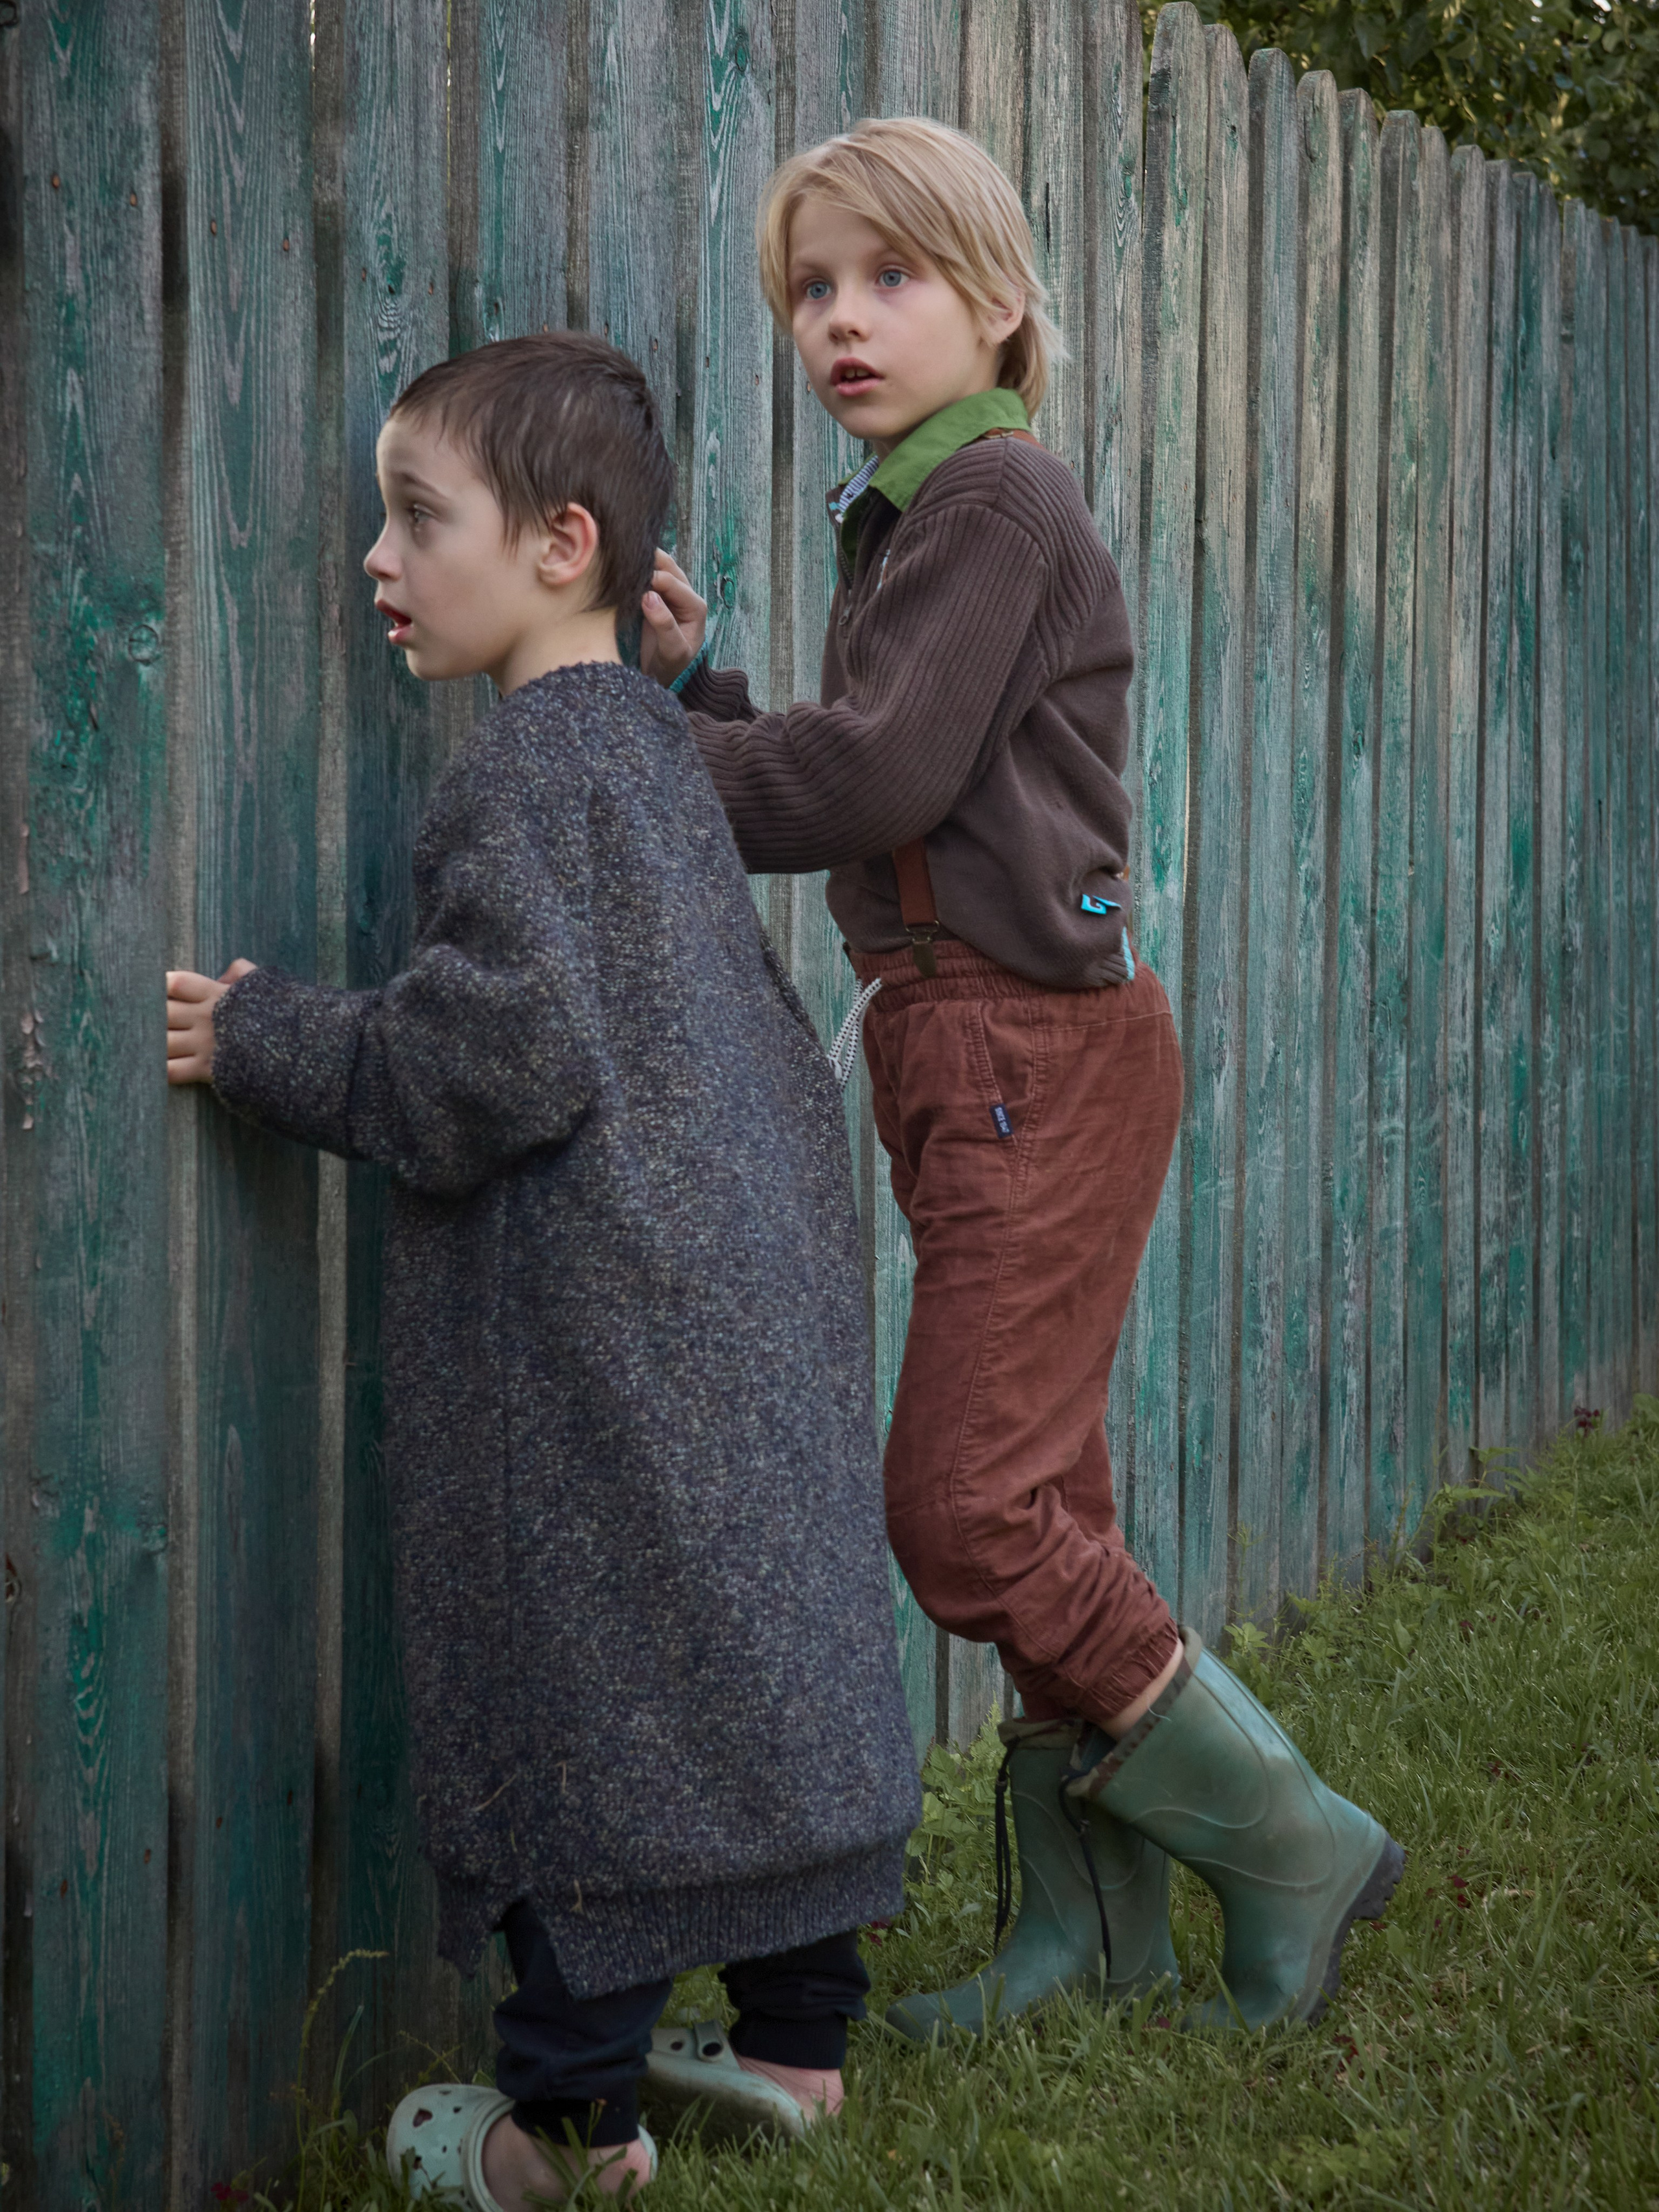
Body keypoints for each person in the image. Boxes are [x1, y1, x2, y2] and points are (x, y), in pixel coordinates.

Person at [640, 117, 1404, 2043]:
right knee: (1045, 1484)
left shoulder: (993, 499)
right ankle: (1092, 1937)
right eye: (811, 288)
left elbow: (874, 778)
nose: (842, 319)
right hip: (969, 1045)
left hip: (1029, 1053)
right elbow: (893, 772)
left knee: (966, 1509)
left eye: (890, 277)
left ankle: (1294, 1842)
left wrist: (624, 747)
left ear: (999, 306)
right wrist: (704, 698)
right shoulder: (918, 513)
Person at [164, 332, 920, 2207]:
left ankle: (559, 2141)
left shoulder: (520, 775)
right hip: (753, 1302)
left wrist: (266, 1038)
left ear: (563, 544)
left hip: (604, 1341)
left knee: (593, 1713)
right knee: (765, 1673)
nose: (379, 556)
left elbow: (492, 1061)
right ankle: (798, 2058)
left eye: (418, 517)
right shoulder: (660, 759)